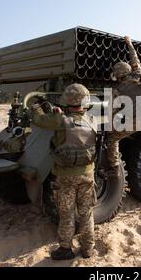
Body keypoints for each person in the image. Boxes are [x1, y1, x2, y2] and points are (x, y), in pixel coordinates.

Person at [29, 83, 97, 260]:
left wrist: (36, 107)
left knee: (66, 215)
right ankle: (88, 249)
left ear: (67, 100)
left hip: (66, 176)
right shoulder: (92, 119)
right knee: (86, 213)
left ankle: (66, 249)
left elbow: (39, 120)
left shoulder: (60, 120)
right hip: (88, 174)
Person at [107, 36, 141, 182]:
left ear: (117, 75)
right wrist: (129, 43)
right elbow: (134, 57)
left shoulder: (117, 89)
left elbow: (113, 111)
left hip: (137, 121)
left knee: (112, 138)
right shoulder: (138, 74)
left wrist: (113, 125)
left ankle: (114, 168)